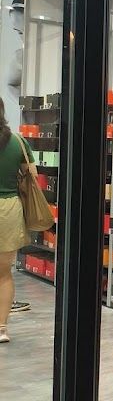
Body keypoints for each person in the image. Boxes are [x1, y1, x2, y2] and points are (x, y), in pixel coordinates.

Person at [0, 98, 33, 342]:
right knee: (3, 274)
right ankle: (1, 328)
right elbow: (32, 175)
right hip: (9, 210)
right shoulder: (18, 141)